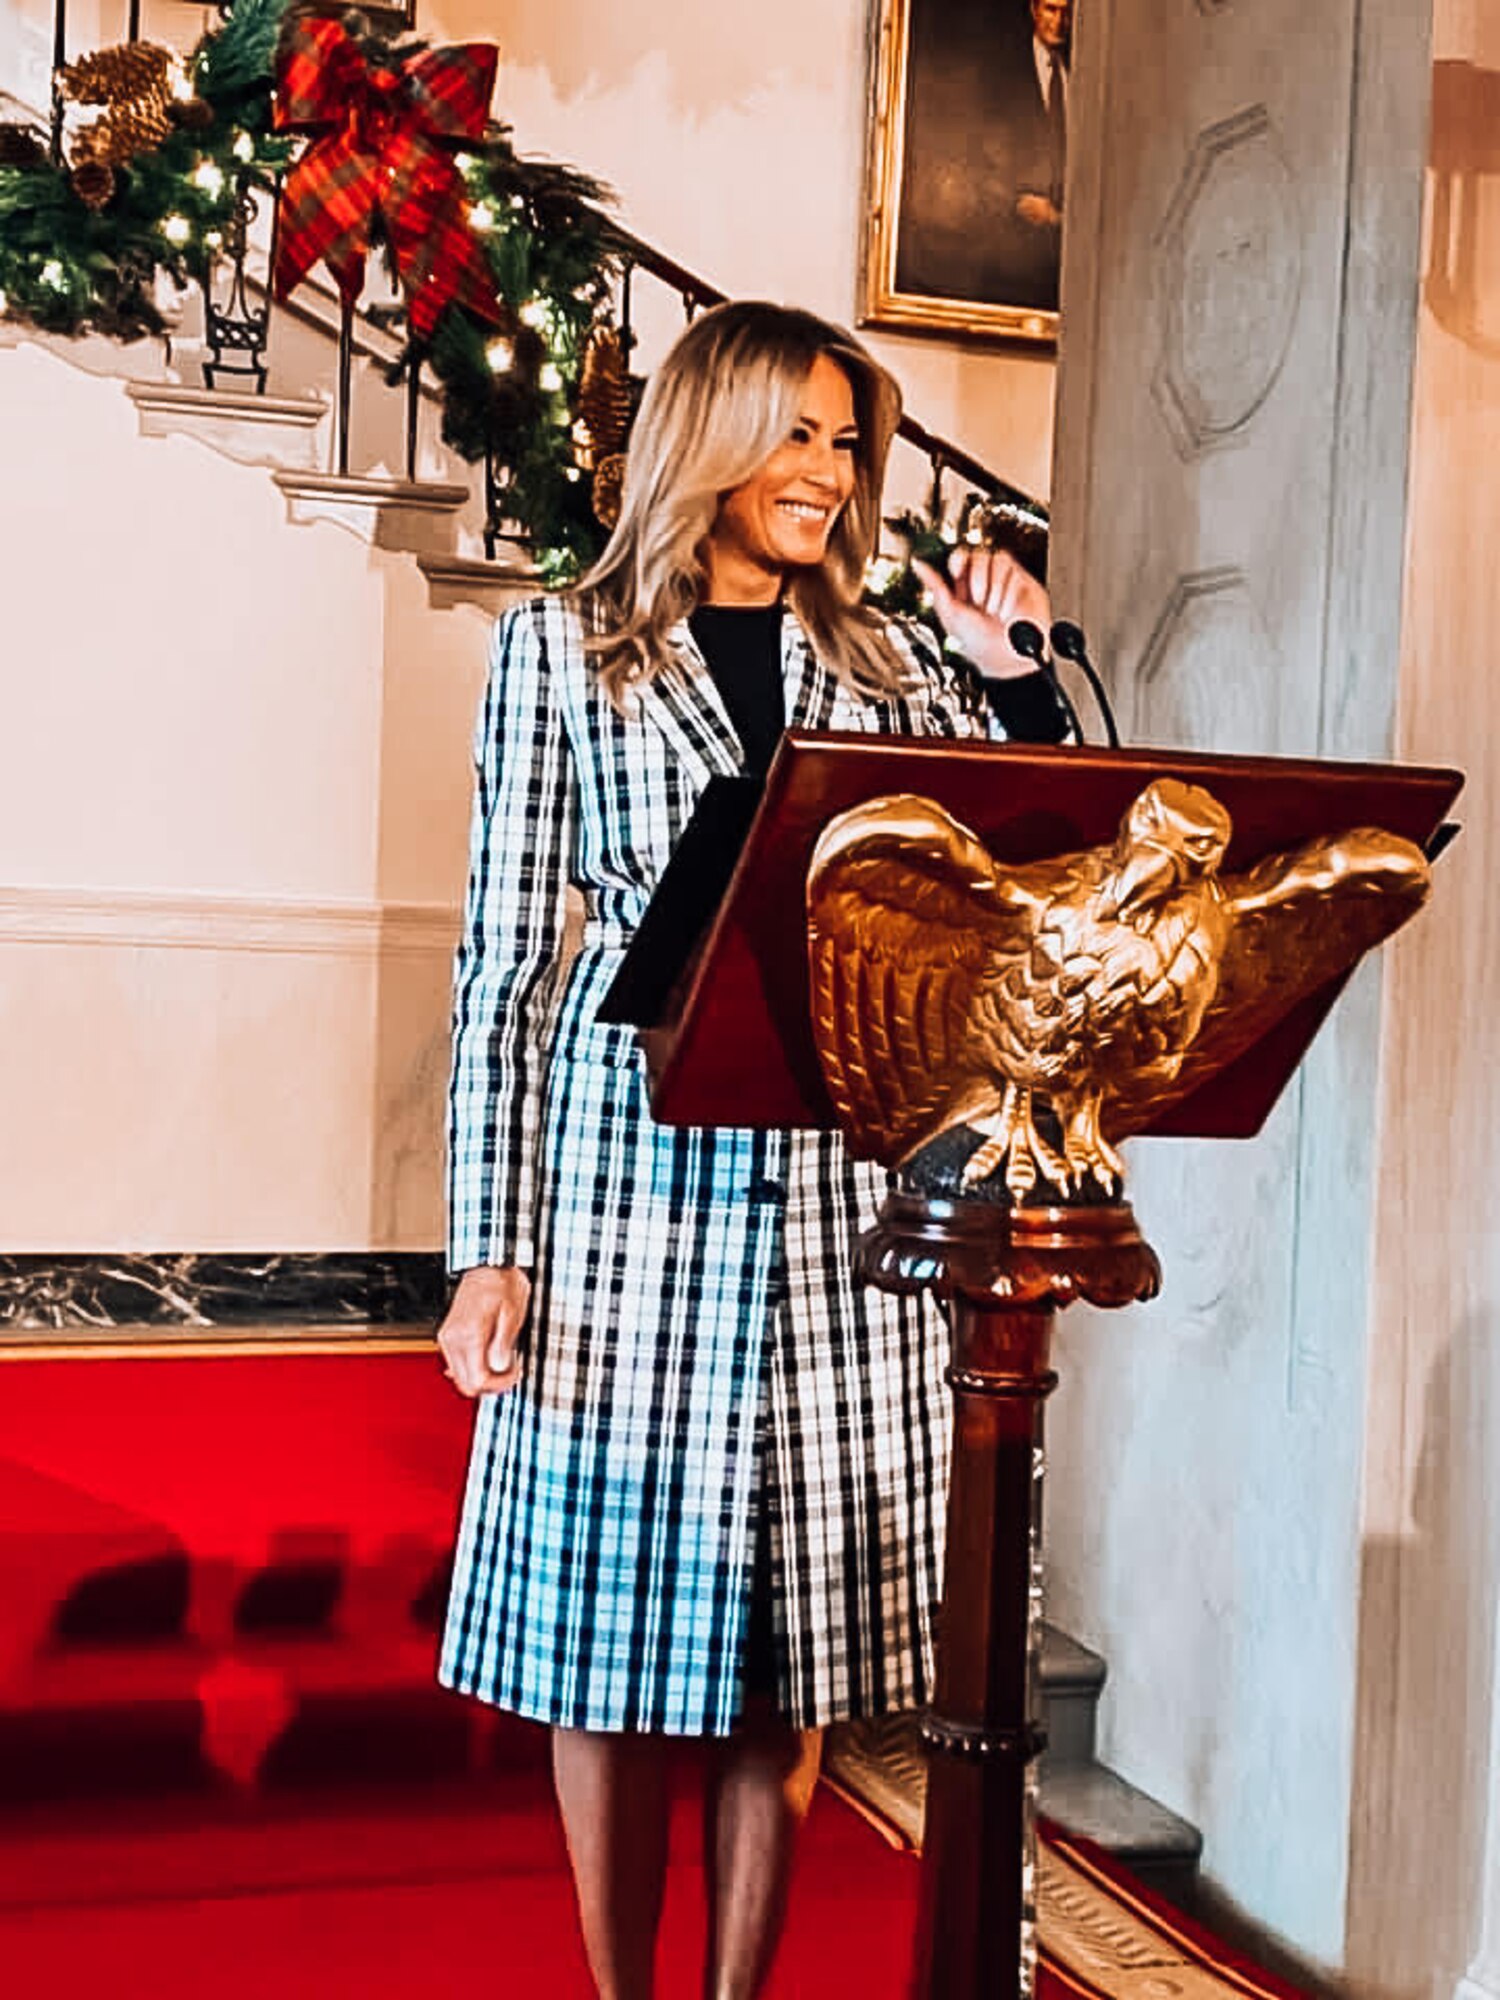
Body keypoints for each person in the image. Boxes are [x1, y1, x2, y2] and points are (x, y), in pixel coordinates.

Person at [435, 300, 1065, 2000]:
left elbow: (1023, 880)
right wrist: (488, 1244)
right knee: (604, 1649)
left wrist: (1016, 683)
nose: (831, 469)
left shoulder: (887, 665)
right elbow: (506, 959)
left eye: (848, 439)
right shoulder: (558, 654)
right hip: (625, 1198)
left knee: (793, 1657)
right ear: (709, 435)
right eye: (797, 430)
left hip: (830, 1202)